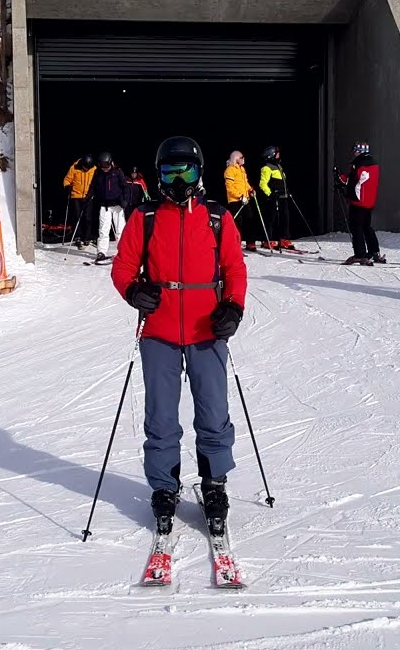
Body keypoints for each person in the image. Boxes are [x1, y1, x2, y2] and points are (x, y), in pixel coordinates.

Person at [111, 136, 248, 535]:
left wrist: (233, 306)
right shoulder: (145, 217)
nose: (176, 178)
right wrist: (134, 290)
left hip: (207, 330)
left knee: (212, 412)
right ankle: (164, 487)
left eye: (184, 170)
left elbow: (235, 268)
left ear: (198, 172)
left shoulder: (218, 218)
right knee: (161, 416)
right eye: (169, 171)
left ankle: (214, 483)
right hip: (159, 332)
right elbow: (123, 267)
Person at [337, 143, 383, 265]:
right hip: (369, 200)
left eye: (356, 151)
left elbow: (351, 181)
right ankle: (374, 252)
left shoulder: (359, 164)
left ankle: (360, 254)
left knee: (356, 227)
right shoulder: (373, 163)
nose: (354, 153)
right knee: (366, 226)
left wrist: (339, 178)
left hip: (358, 200)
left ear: (360, 152)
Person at [89, 151, 128, 263]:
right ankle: (101, 252)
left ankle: (123, 252)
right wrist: (88, 197)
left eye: (106, 165)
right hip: (104, 205)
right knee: (103, 230)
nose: (105, 168)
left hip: (117, 205)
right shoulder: (97, 173)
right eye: (102, 166)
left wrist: (125, 200)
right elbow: (93, 186)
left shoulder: (117, 172)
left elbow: (125, 187)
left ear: (111, 163)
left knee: (120, 230)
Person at [258, 146, 295, 251]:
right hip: (274, 198)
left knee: (285, 218)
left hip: (283, 197)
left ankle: (284, 239)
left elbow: (282, 182)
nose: (279, 156)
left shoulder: (279, 166)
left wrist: (287, 191)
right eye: (277, 154)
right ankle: (267, 239)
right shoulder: (267, 167)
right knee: (271, 218)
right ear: (272, 155)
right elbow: (262, 184)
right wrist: (270, 194)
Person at [223, 151, 259, 252]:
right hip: (235, 200)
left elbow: (245, 183)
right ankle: (235, 244)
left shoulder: (242, 169)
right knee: (236, 222)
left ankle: (250, 242)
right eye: (241, 157)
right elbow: (230, 188)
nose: (243, 159)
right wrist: (240, 196)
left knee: (250, 219)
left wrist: (250, 190)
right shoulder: (230, 170)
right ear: (236, 158)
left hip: (245, 200)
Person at [63, 154, 97, 247]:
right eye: (85, 167)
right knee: (77, 217)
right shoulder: (74, 167)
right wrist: (67, 186)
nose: (86, 169)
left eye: (88, 168)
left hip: (88, 196)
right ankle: (77, 236)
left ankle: (87, 237)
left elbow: (96, 181)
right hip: (76, 196)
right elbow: (67, 179)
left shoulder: (94, 169)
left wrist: (92, 192)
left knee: (88, 217)